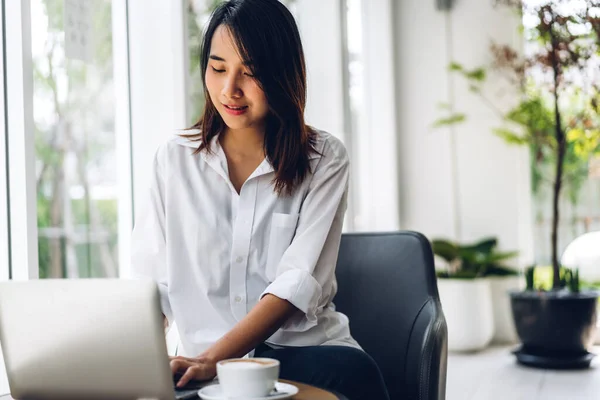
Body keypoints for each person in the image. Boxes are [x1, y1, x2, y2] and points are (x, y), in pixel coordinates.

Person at [130, 1, 390, 399]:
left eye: (249, 73)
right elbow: (152, 286)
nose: (229, 89)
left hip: (301, 353)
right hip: (201, 368)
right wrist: (136, 362)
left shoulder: (324, 158)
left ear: (283, 75)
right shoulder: (174, 159)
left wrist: (214, 359)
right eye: (217, 68)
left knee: (355, 375)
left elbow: (295, 284)